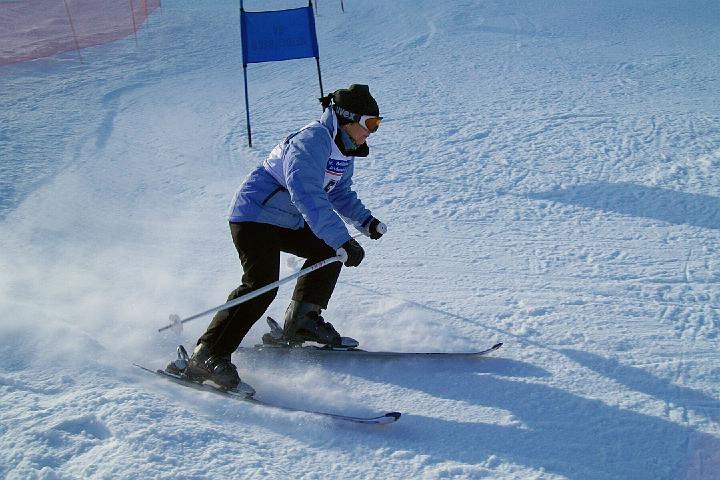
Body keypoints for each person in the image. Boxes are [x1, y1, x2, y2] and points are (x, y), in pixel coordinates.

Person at [180, 84, 387, 390]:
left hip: (285, 219)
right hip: (254, 214)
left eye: (377, 124)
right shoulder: (312, 140)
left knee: (328, 249)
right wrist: (342, 238)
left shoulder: (343, 148)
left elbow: (339, 192)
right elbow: (307, 193)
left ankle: (302, 321)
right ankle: (208, 354)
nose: (373, 131)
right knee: (261, 284)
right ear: (348, 119)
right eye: (371, 123)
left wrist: (366, 222)